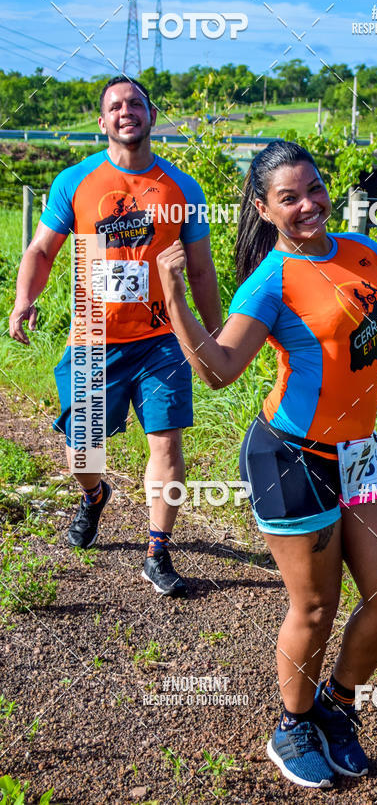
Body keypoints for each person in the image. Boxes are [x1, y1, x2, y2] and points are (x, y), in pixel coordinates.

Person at [157, 140, 377, 786]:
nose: (309, 204)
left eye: (314, 188)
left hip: (358, 453)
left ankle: (337, 705)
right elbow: (220, 370)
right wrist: (174, 297)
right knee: (316, 605)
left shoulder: (363, 251)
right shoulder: (271, 281)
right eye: (289, 197)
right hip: (291, 456)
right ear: (264, 208)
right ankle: (292, 725)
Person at [9, 76, 222, 598]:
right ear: (103, 121)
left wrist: (215, 333)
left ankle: (157, 551)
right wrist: (23, 300)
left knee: (166, 441)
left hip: (162, 338)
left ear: (151, 116)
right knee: (82, 452)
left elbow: (201, 269)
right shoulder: (75, 182)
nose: (127, 111)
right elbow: (41, 250)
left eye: (135, 104)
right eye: (115, 106)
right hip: (92, 335)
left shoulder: (182, 189)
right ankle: (94, 495)